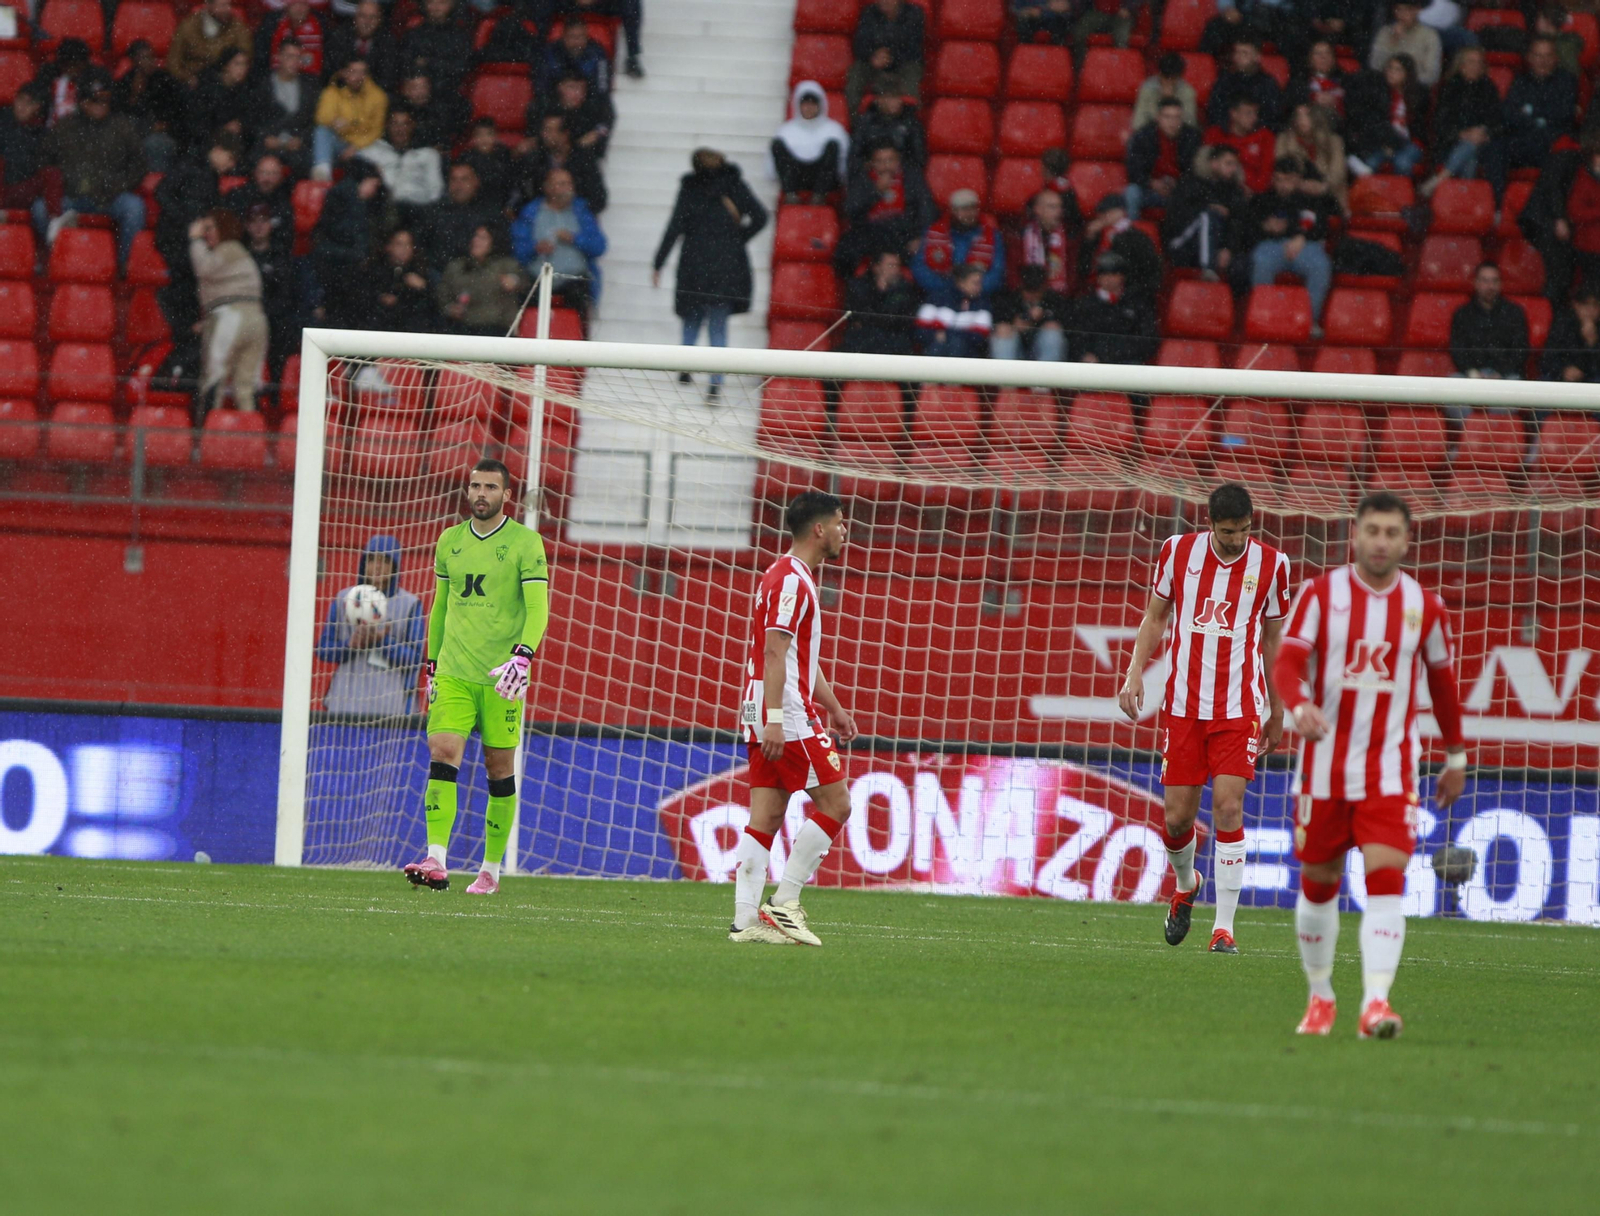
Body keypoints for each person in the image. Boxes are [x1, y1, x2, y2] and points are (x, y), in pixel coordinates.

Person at [1272, 492, 1468, 1038]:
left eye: (1391, 533)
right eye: (1373, 530)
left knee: (1386, 878)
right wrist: (1299, 703)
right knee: (1319, 884)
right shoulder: (1319, 594)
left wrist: (1456, 756)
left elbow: (1443, 684)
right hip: (1324, 768)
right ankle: (1321, 997)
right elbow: (1287, 660)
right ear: (1355, 534)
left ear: (1407, 540)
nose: (1381, 541)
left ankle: (1376, 1004)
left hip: (1390, 770)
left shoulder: (1424, 607)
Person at [1117, 483, 1292, 954]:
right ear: (1210, 523)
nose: (1237, 540)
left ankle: (1225, 928)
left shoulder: (1273, 565)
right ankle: (1186, 881)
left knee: (1230, 808)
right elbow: (1155, 617)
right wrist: (1135, 673)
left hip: (1239, 709)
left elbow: (1274, 641)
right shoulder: (1177, 552)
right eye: (1229, 531)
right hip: (1183, 708)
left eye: (1245, 531)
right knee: (1177, 821)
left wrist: (1278, 709)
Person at [405, 459, 550, 895]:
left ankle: (490, 869)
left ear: (507, 495)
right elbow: (441, 606)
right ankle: (436, 857)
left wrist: (522, 658)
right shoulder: (449, 541)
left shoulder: (527, 543)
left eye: (490, 486)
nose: (480, 493)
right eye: (474, 486)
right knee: (443, 749)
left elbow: (539, 608)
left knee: (498, 767)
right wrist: (431, 665)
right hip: (454, 671)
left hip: (502, 676)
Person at [730, 490, 858, 946]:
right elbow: (774, 652)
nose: (846, 532)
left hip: (767, 705)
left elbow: (800, 657)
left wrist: (835, 707)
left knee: (765, 814)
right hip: (783, 711)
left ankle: (745, 921)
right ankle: (784, 904)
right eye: (841, 523)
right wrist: (777, 720)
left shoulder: (786, 575)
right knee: (838, 804)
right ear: (819, 529)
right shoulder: (792, 582)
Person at [650, 149, 767, 403]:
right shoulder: (734, 185)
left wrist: (658, 262)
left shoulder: (690, 188)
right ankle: (716, 381)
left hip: (695, 262)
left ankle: (686, 365)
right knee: (718, 323)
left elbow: (675, 226)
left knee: (692, 316)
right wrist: (738, 238)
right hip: (727, 263)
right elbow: (761, 216)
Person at [316, 535, 427, 719]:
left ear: (395, 566)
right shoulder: (343, 598)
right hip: (345, 702)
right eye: (372, 559)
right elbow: (322, 649)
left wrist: (382, 641)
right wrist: (350, 645)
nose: (377, 566)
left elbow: (416, 659)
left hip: (391, 707)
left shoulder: (410, 604)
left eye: (384, 561)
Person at [45, 79, 147, 268]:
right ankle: (53, 262)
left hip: (109, 196)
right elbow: (46, 161)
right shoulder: (65, 127)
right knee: (39, 208)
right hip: (71, 196)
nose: (101, 105)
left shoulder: (122, 126)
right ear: (82, 102)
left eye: (105, 100)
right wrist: (60, 185)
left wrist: (119, 184)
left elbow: (139, 165)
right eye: (95, 100)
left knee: (135, 208)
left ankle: (125, 268)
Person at [155, 130, 239, 337]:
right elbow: (162, 192)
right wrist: (186, 221)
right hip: (175, 237)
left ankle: (192, 331)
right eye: (230, 158)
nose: (231, 166)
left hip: (196, 241)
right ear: (218, 150)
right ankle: (185, 330)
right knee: (187, 279)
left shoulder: (211, 176)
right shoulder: (188, 165)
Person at [190, 209, 268, 413]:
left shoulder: (228, 248)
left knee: (214, 380)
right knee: (246, 385)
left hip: (231, 317)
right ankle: (252, 436)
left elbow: (203, 267)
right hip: (255, 318)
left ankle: (207, 434)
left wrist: (195, 240)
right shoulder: (239, 250)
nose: (206, 233)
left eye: (209, 228)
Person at [1246, 158, 1335, 335]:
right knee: (1260, 259)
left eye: (1288, 180)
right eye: (1279, 179)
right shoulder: (1263, 199)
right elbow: (1248, 230)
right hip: (1272, 246)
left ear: (1297, 180)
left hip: (1305, 246)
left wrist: (1302, 236)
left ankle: (1308, 321)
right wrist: (1265, 228)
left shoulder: (1311, 198)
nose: (1283, 185)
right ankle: (1264, 317)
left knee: (1321, 265)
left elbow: (1324, 226)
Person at [1482, 38, 1579, 200]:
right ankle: (1497, 206)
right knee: (1495, 146)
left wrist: (1528, 112)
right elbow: (1508, 113)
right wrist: (1539, 119)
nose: (1543, 61)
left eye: (1548, 56)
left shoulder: (1567, 80)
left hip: (1550, 143)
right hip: (1524, 141)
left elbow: (1564, 114)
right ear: (1530, 58)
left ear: (1556, 58)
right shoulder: (1520, 81)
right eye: (1538, 56)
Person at [512, 166, 609, 315]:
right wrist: (535, 248)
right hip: (536, 280)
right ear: (547, 188)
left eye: (569, 183)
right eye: (561, 184)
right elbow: (517, 249)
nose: (567, 188)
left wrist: (575, 238)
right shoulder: (531, 212)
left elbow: (599, 247)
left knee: (579, 296)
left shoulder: (581, 212)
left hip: (574, 281)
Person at [834, 143, 934, 275]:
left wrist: (919, 236)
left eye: (890, 160)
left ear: (898, 161)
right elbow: (850, 209)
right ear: (872, 164)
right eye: (880, 161)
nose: (886, 165)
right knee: (844, 252)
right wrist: (875, 192)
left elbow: (927, 209)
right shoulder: (862, 178)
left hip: (901, 232)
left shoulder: (911, 178)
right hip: (871, 232)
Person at [314, 158, 385, 328]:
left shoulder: (348, 197)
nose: (376, 191)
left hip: (342, 270)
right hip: (338, 271)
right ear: (365, 181)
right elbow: (347, 236)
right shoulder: (346, 198)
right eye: (374, 185)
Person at [1422, 46, 1499, 197]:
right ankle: (1463, 200)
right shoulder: (1449, 87)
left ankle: (1441, 179)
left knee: (1472, 148)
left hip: (1483, 143)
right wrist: (1461, 134)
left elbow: (1497, 120)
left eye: (1479, 63)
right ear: (1461, 64)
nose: (1475, 66)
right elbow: (1440, 123)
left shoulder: (1489, 87)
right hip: (1450, 142)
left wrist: (1483, 132)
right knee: (1469, 157)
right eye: (1471, 62)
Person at [1164, 145, 1249, 280]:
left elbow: (1237, 222)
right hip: (1183, 244)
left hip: (1216, 246)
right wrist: (1207, 208)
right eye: (1228, 163)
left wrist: (1227, 248)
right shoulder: (1190, 183)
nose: (1233, 169)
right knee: (1208, 216)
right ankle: (1207, 269)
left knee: (1241, 266)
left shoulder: (1234, 192)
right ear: (1214, 164)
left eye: (1235, 164)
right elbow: (1176, 217)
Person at [242, 203, 302, 386]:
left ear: (270, 225)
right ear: (247, 225)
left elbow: (286, 296)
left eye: (263, 221)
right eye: (254, 222)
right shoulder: (240, 256)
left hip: (274, 322)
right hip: (244, 319)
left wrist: (264, 313)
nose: (259, 226)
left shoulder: (281, 257)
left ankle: (276, 394)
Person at [1067, 251, 1159, 364]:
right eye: (1104, 273)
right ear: (1098, 277)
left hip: (1127, 362)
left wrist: (1113, 354)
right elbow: (1076, 337)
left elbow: (1147, 340)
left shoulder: (1137, 303)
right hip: (1093, 364)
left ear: (1122, 276)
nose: (1109, 278)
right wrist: (1083, 354)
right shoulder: (1086, 304)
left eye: (1114, 273)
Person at [913, 188, 1005, 299]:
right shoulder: (934, 233)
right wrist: (949, 288)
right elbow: (920, 267)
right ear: (953, 210)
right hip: (939, 295)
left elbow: (997, 271)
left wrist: (976, 287)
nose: (969, 213)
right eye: (964, 209)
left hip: (978, 297)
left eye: (973, 208)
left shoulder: (992, 235)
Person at [440, 225, 529, 336]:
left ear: (494, 242)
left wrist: (515, 281)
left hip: (499, 330)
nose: (476, 241)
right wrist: (449, 308)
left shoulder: (507, 265)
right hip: (464, 330)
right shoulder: (456, 267)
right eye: (475, 236)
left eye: (483, 238)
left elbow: (526, 283)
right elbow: (442, 295)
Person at [1349, 54, 1429, 177]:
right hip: (1385, 142)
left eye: (1397, 70)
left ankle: (1402, 195)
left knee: (1402, 163)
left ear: (1407, 74)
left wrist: (1399, 144)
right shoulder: (1378, 92)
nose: (1392, 72)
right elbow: (1376, 124)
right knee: (1370, 163)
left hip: (1410, 142)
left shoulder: (1419, 95)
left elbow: (1419, 128)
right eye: (1390, 68)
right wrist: (1388, 143)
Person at [112, 39, 185, 172]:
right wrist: (135, 94)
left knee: (156, 144)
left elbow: (177, 110)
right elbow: (120, 113)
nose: (150, 61)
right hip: (135, 130)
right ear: (134, 61)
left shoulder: (165, 79)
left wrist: (165, 124)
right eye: (144, 58)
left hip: (161, 132)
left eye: (152, 57)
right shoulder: (125, 82)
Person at [513, 113, 607, 215]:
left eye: (549, 130)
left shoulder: (584, 159)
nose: (544, 135)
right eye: (544, 130)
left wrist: (575, 211)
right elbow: (522, 191)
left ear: (565, 134)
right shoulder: (535, 158)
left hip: (576, 215)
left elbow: (598, 198)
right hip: (541, 216)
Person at [359, 109, 444, 221]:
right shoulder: (373, 150)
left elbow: (435, 192)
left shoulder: (428, 155)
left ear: (413, 125)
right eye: (395, 124)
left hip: (419, 210)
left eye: (405, 124)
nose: (400, 129)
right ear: (387, 125)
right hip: (383, 210)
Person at [771, 81, 849, 204]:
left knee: (833, 145)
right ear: (798, 105)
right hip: (797, 179)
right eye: (805, 104)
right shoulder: (785, 130)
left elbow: (842, 164)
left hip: (824, 180)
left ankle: (819, 195)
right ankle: (791, 195)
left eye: (813, 104)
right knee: (777, 144)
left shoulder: (834, 129)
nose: (809, 108)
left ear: (820, 105)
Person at [1126, 97, 1203, 220]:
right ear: (1158, 117)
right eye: (1167, 117)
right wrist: (1152, 183)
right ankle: (1132, 233)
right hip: (1151, 190)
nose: (1172, 122)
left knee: (1197, 194)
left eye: (1177, 117)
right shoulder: (1143, 136)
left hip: (1179, 192)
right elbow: (1133, 170)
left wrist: (1178, 184)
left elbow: (1196, 172)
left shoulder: (1192, 137)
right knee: (1132, 192)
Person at [252, 38, 319, 178]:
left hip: (296, 145)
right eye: (289, 56)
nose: (294, 61)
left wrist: (301, 139)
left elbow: (314, 121)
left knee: (306, 163)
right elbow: (253, 118)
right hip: (269, 143)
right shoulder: (263, 85)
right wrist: (266, 137)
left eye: (298, 57)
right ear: (279, 57)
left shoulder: (309, 87)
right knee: (253, 161)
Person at [313, 59, 388, 181]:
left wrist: (355, 147)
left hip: (364, 146)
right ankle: (322, 173)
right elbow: (321, 117)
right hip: (339, 143)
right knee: (322, 131)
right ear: (344, 73)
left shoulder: (378, 96)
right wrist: (334, 121)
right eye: (353, 72)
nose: (358, 77)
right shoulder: (333, 91)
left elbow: (377, 130)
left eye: (362, 72)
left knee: (380, 153)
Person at [1450, 263, 1529, 379]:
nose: (1490, 286)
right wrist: (1472, 372)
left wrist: (1500, 373)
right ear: (1475, 283)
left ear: (1501, 284)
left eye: (1495, 281)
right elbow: (1457, 349)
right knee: (1454, 381)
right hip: (1471, 376)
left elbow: (1520, 350)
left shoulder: (1514, 313)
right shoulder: (1462, 314)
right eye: (1485, 281)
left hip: (1506, 376)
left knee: (1516, 380)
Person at [847, 0, 925, 116]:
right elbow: (859, 43)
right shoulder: (869, 13)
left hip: (905, 63)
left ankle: (910, 123)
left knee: (911, 83)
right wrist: (873, 56)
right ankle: (857, 122)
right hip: (875, 63)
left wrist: (889, 56)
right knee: (855, 75)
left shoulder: (915, 14)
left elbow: (914, 46)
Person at [1078, 192, 1160, 300]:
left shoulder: (1136, 237)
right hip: (1097, 293)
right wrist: (1090, 239)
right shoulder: (1098, 234)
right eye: (1102, 213)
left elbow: (1149, 273)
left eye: (1107, 212)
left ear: (1121, 212)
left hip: (1129, 296)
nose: (1103, 216)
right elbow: (1083, 268)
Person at [0, 85, 61, 230]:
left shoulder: (44, 136)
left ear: (38, 107)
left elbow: (46, 173)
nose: (22, 106)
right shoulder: (2, 127)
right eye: (20, 100)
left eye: (29, 103)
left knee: (51, 175)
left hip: (27, 191)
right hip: (4, 190)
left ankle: (53, 230)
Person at [838, 250, 921, 356]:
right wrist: (879, 293)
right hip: (864, 340)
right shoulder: (859, 286)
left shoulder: (906, 289)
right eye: (890, 265)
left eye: (897, 266)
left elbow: (902, 320)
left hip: (895, 341)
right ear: (876, 267)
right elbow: (857, 317)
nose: (895, 270)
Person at [424, 162, 499, 270]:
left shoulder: (490, 212)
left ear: (476, 181)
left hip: (480, 272)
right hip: (440, 273)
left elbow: (500, 248)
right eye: (454, 179)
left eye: (464, 179)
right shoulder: (435, 212)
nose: (458, 185)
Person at [1275, 102, 1347, 213]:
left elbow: (1338, 172)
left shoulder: (1334, 141)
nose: (1301, 120)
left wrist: (1324, 187)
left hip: (1329, 192)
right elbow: (1282, 169)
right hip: (1296, 193)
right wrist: (1300, 184)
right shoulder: (1284, 140)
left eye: (1306, 115)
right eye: (1298, 116)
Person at [167, 0, 256, 88]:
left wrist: (229, 76)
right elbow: (174, 62)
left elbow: (246, 54)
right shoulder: (188, 26)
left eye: (229, 5)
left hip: (225, 84)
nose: (227, 9)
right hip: (193, 82)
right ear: (208, 5)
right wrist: (187, 78)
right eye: (222, 6)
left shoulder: (238, 28)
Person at [990, 264, 1067, 363]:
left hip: (1042, 354)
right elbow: (998, 319)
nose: (1032, 296)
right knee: (1002, 331)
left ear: (1043, 288)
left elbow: (1067, 322)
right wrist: (1014, 325)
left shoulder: (1053, 299)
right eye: (1029, 291)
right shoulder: (1010, 298)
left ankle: (1047, 376)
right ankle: (1005, 376)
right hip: (1016, 350)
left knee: (1052, 333)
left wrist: (1041, 318)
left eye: (1036, 291)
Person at [367, 228, 439, 332]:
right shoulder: (372, 271)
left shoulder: (423, 272)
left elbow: (435, 307)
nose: (404, 249)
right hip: (378, 332)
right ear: (388, 246)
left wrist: (424, 288)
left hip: (412, 334)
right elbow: (363, 299)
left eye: (408, 244)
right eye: (399, 244)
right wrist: (380, 298)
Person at [226, 153, 296, 259]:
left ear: (280, 177)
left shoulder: (284, 202)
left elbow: (286, 238)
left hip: (273, 258)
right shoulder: (238, 196)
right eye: (263, 173)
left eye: (273, 174)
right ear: (255, 173)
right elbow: (227, 230)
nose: (267, 179)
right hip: (238, 256)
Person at [1011, 187, 1079, 296]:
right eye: (1052, 207)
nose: (1059, 211)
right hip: (1027, 296)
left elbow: (1073, 273)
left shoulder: (1069, 235)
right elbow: (1013, 273)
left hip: (1061, 298)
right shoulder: (1021, 235)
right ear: (1037, 209)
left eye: (1060, 207)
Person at [917, 261, 993, 357]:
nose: (979, 287)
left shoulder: (982, 304)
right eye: (975, 283)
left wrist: (948, 335)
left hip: (968, 357)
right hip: (936, 350)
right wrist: (934, 335)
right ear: (961, 282)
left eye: (980, 283)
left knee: (957, 344)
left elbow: (981, 337)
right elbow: (920, 330)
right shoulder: (937, 298)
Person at [187, 47, 255, 154]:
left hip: (236, 140)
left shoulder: (247, 89)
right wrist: (222, 130)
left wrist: (240, 124)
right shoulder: (207, 87)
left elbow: (251, 117)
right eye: (237, 64)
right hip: (206, 141)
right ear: (226, 65)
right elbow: (198, 123)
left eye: (245, 64)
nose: (242, 69)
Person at [326, 1, 403, 93]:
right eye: (363, 16)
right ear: (355, 18)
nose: (367, 22)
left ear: (380, 20)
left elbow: (388, 78)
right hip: (343, 93)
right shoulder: (339, 36)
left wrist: (362, 81)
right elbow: (330, 71)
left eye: (372, 17)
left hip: (374, 96)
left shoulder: (388, 41)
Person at [1207, 38, 1282, 131]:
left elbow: (1273, 117)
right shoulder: (1224, 80)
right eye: (1236, 52)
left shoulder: (1268, 84)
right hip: (1228, 135)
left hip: (1258, 137)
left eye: (1244, 53)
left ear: (1257, 57)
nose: (1238, 57)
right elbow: (1214, 112)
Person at [402, 0, 474, 96]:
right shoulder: (413, 34)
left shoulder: (461, 36)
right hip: (418, 94)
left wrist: (429, 63)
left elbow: (462, 68)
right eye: (430, 2)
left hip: (450, 93)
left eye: (442, 2)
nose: (435, 7)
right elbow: (406, 65)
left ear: (452, 5)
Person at [848, 90, 926, 175]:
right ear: (879, 100)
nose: (895, 102)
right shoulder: (864, 123)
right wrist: (874, 168)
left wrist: (895, 167)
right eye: (890, 98)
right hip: (869, 175)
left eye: (897, 97)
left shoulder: (911, 122)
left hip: (904, 176)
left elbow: (918, 158)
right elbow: (854, 159)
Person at [1369, 1, 1443, 88]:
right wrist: (1393, 42)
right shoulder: (1385, 32)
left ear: (1417, 10)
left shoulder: (1429, 36)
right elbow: (1375, 65)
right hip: (1385, 88)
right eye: (1398, 9)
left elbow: (1432, 75)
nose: (1402, 14)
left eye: (1408, 10)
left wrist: (1406, 79)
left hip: (1414, 90)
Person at [1284, 40, 1350, 131]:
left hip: (1338, 130)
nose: (1323, 57)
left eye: (1328, 53)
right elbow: (1289, 102)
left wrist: (1336, 102)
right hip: (1307, 128)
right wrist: (1313, 97)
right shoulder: (1300, 80)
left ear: (1334, 59)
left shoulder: (1345, 80)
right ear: (1310, 59)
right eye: (1318, 53)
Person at [544, 73, 614, 157]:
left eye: (582, 88)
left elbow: (607, 120)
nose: (578, 93)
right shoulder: (547, 109)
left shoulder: (590, 114)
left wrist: (596, 133)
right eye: (572, 87)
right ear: (560, 87)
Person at [254, 0, 327, 79]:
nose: (299, 9)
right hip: (277, 79)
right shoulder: (273, 22)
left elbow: (328, 55)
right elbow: (261, 55)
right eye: (295, 5)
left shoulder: (319, 22)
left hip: (312, 79)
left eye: (303, 4)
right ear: (287, 6)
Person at [1541, 285, 1600, 380]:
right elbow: (1548, 358)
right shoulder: (1562, 325)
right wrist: (1564, 370)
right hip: (1561, 376)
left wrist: (1592, 343)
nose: (1591, 310)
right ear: (1576, 305)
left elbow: (1595, 367)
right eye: (1586, 304)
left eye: (1595, 305)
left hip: (1591, 378)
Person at [543, 19, 610, 98]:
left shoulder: (597, 53)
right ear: (564, 37)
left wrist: (582, 92)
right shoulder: (551, 52)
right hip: (556, 101)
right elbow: (542, 85)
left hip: (588, 101)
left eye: (581, 37)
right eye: (572, 37)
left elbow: (602, 86)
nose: (577, 42)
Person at [460, 118, 515, 212]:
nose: (484, 139)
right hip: (473, 205)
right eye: (479, 135)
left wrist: (509, 206)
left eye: (489, 134)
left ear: (496, 137)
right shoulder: (466, 157)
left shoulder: (504, 154)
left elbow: (512, 183)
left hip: (500, 203)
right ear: (473, 138)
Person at [1133, 52, 1199, 130]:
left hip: (1179, 136)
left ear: (1179, 77)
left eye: (1173, 79)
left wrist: (1172, 100)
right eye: (1166, 78)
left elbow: (1189, 123)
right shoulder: (1148, 89)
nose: (1169, 82)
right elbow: (1138, 123)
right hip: (1151, 135)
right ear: (1159, 74)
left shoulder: (1187, 92)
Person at [1075, 0, 1145, 60]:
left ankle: (1120, 67)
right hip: (1097, 12)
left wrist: (1128, 8)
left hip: (1122, 15)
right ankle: (1080, 67)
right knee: (1079, 32)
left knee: (1121, 38)